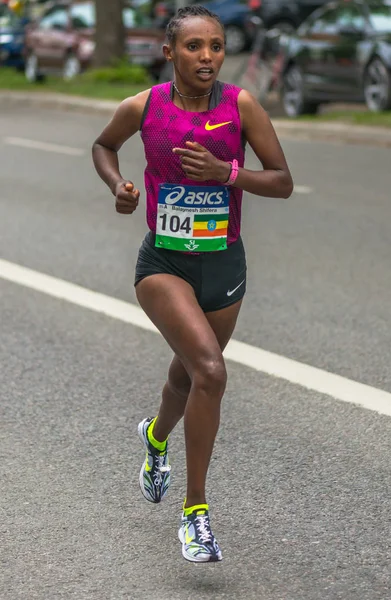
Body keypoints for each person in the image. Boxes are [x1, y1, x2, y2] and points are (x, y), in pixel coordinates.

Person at [92, 4, 293, 563]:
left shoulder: (240, 106)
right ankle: (195, 514)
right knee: (211, 370)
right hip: (165, 263)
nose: (207, 57)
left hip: (224, 264)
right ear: (169, 53)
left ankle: (155, 438)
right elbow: (102, 145)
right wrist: (119, 186)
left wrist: (226, 174)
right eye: (194, 47)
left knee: (188, 379)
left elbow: (282, 182)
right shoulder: (145, 106)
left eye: (217, 47)